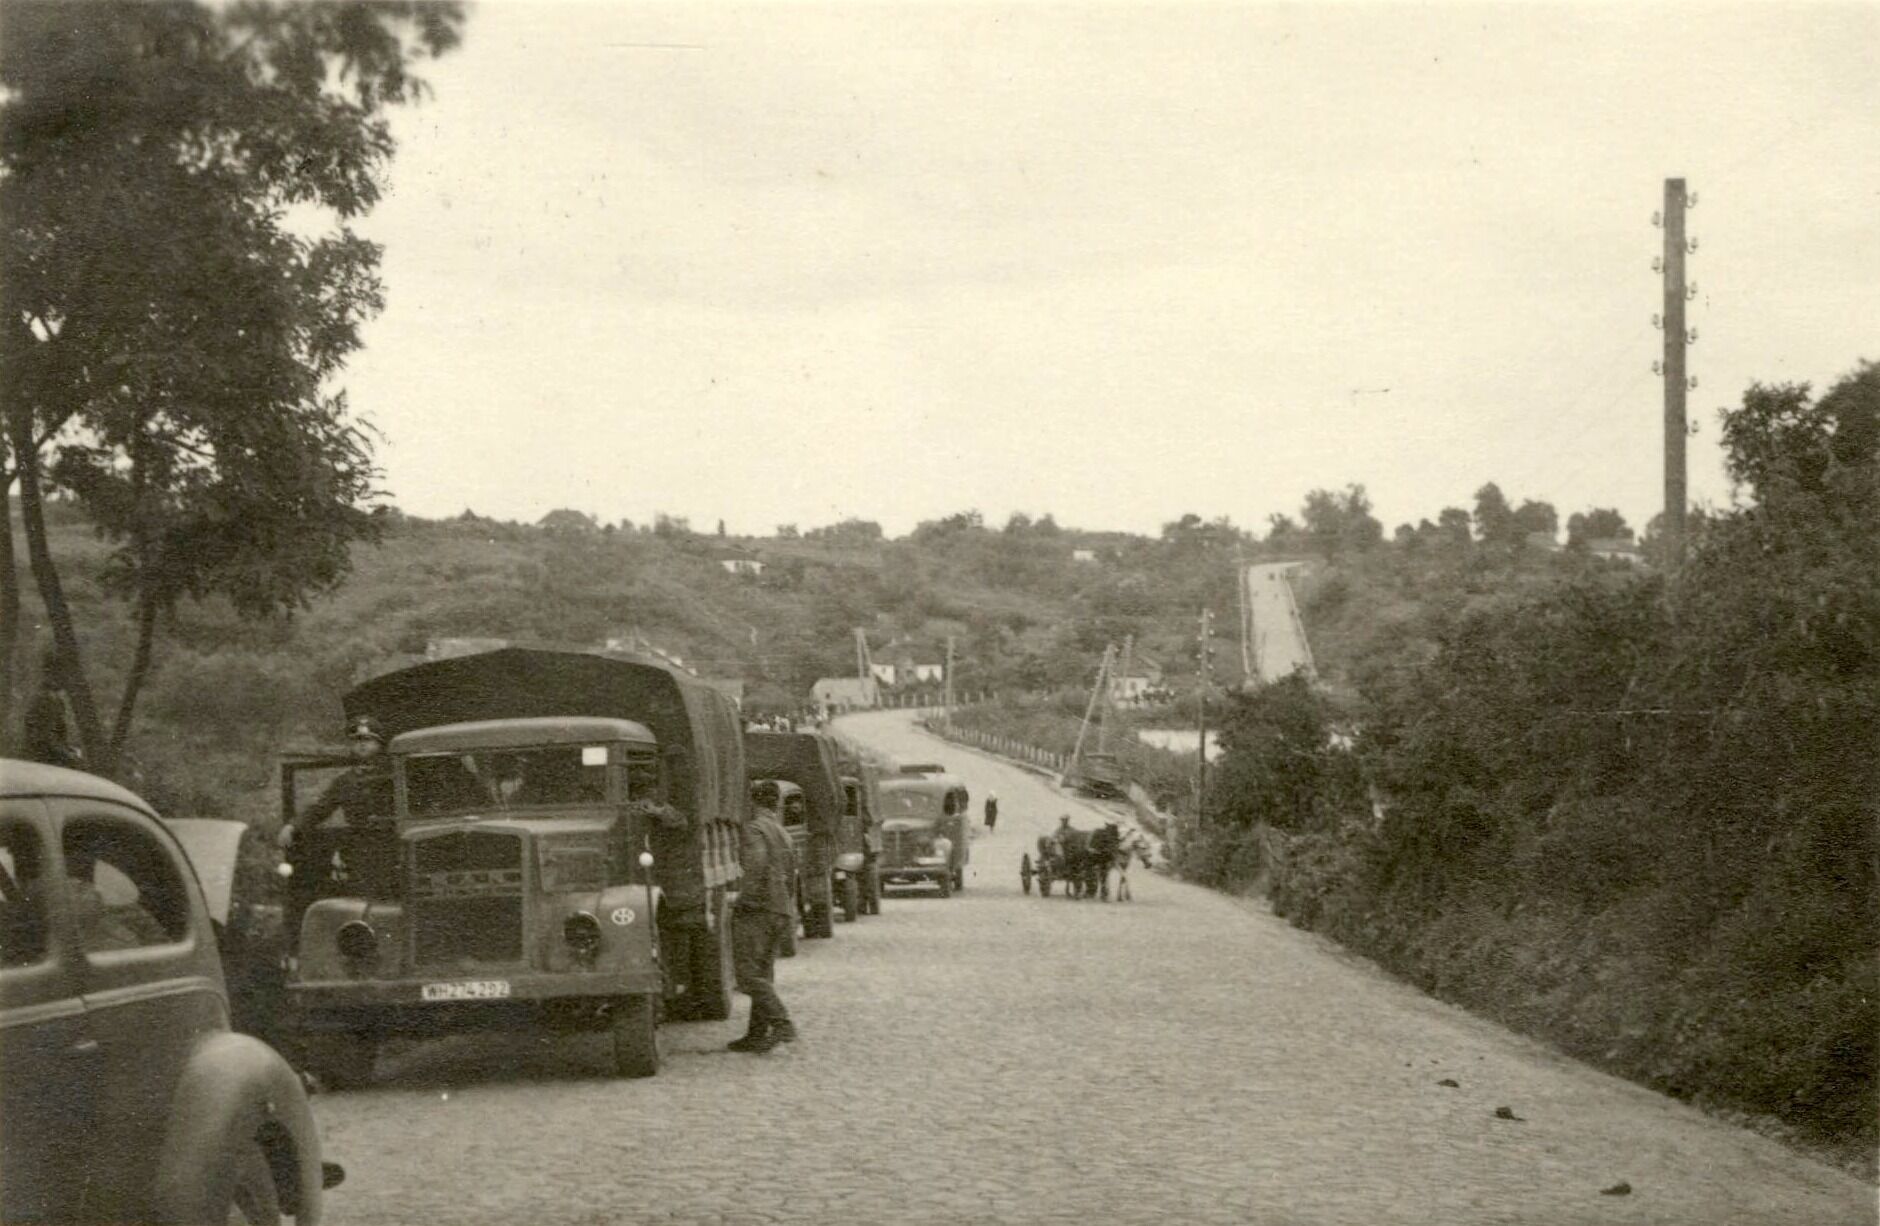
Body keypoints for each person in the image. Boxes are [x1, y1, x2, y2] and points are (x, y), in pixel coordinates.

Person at [729, 788, 798, 1053]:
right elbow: (791, 873)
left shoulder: (754, 829)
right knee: (763, 975)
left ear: (752, 801)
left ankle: (782, 1023)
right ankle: (756, 1034)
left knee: (747, 976)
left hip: (758, 909)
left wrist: (742, 899)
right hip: (780, 909)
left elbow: (755, 867)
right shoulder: (782, 831)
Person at [279, 717, 393, 848]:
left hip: (392, 839)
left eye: (368, 740)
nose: (362, 744)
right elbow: (320, 808)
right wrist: (293, 826)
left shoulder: (392, 773)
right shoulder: (345, 781)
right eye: (357, 740)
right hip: (362, 843)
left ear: (379, 744)